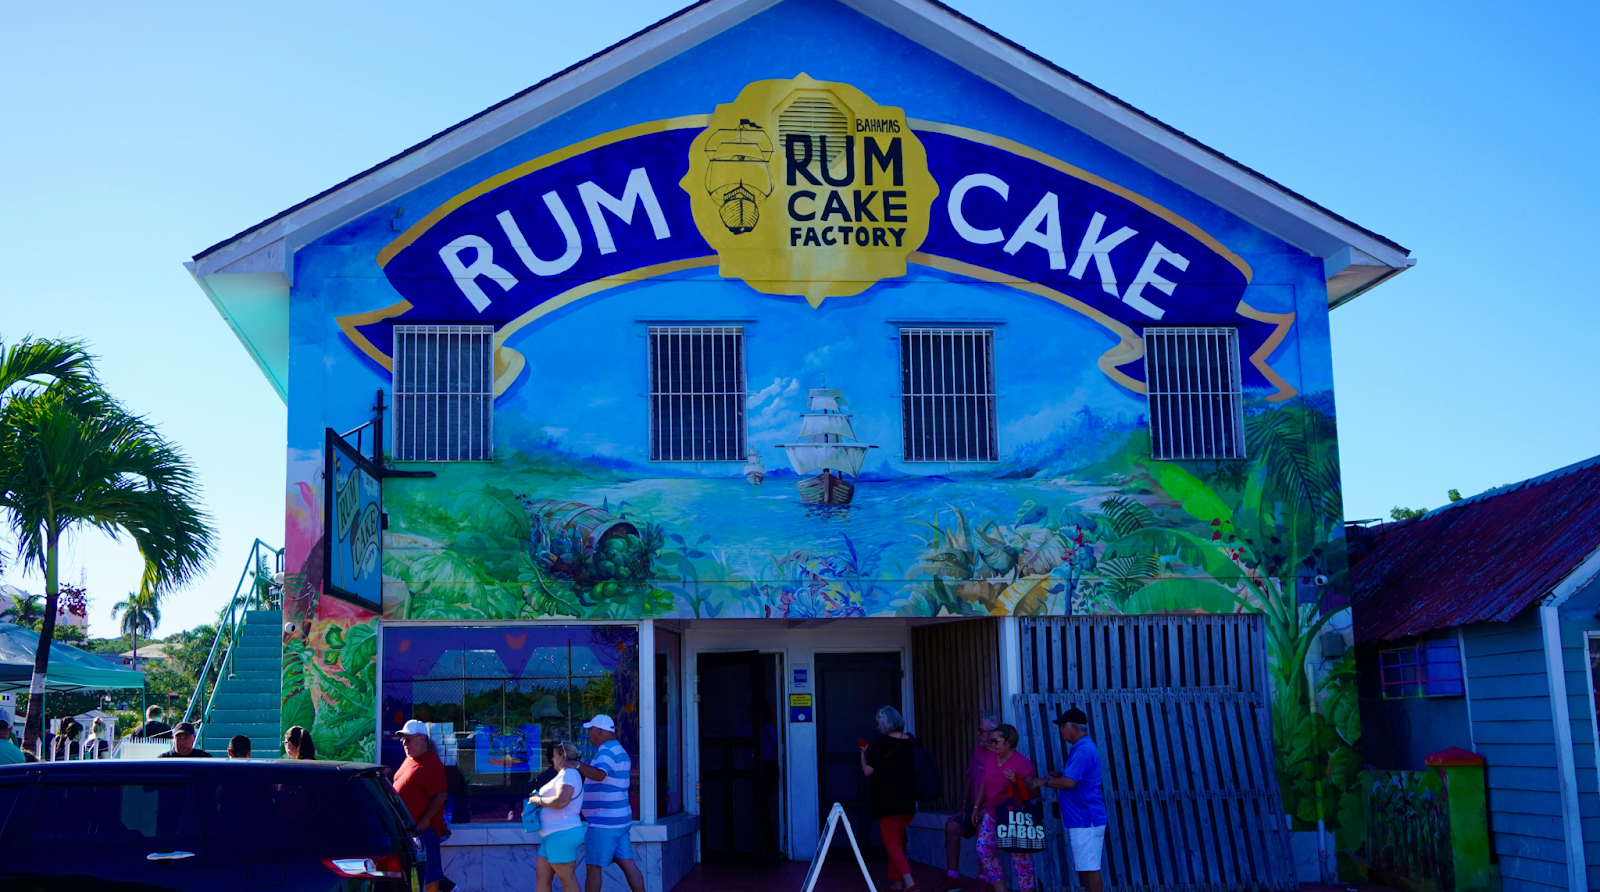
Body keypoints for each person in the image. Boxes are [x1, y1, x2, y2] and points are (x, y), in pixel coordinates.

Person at [1028, 708, 1106, 892]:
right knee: (1086, 867)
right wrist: (1061, 775)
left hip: (1086, 819)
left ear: (1072, 727)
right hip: (1085, 818)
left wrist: (1044, 781)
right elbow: (1077, 778)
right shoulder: (1082, 748)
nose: (1060, 730)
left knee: (1090, 867)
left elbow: (1070, 783)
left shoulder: (1082, 751)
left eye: (1062, 726)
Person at [574, 714, 646, 892]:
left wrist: (576, 765)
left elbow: (599, 774)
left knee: (593, 868)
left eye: (590, 730)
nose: (589, 734)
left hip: (604, 822)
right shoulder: (619, 750)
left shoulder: (607, 751)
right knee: (628, 863)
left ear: (598, 731)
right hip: (619, 819)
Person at [933, 714, 1001, 892]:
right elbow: (969, 779)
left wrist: (988, 808)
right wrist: (964, 805)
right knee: (952, 827)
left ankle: (982, 881)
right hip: (974, 807)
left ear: (994, 733)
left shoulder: (1002, 754)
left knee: (983, 831)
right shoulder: (978, 751)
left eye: (981, 731)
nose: (979, 735)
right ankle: (953, 878)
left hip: (994, 809)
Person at [859, 705, 920, 892]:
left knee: (891, 843)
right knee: (897, 841)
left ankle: (909, 882)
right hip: (908, 800)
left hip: (887, 801)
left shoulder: (882, 743)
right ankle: (895, 882)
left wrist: (863, 754)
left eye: (880, 723)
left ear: (885, 723)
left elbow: (868, 771)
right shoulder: (910, 741)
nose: (879, 727)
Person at [976, 724, 1036, 892]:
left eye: (996, 741)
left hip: (1014, 815)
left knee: (1020, 859)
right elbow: (984, 783)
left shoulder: (1023, 764)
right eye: (991, 741)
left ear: (1008, 742)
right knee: (984, 850)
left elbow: (1034, 792)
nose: (992, 744)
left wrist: (1019, 783)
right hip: (993, 814)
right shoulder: (990, 758)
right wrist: (976, 806)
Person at [393, 721, 449, 892]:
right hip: (408, 831)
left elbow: (441, 794)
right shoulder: (410, 759)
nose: (404, 743)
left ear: (422, 739)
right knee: (413, 875)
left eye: (408, 740)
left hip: (424, 831)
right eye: (403, 740)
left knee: (431, 875)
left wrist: (425, 821)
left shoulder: (431, 762)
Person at [529, 740, 585, 892]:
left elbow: (561, 801)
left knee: (567, 880)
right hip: (552, 835)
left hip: (562, 833)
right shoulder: (563, 775)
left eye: (554, 756)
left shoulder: (568, 774)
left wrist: (538, 800)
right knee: (542, 878)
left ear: (563, 756)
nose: (552, 759)